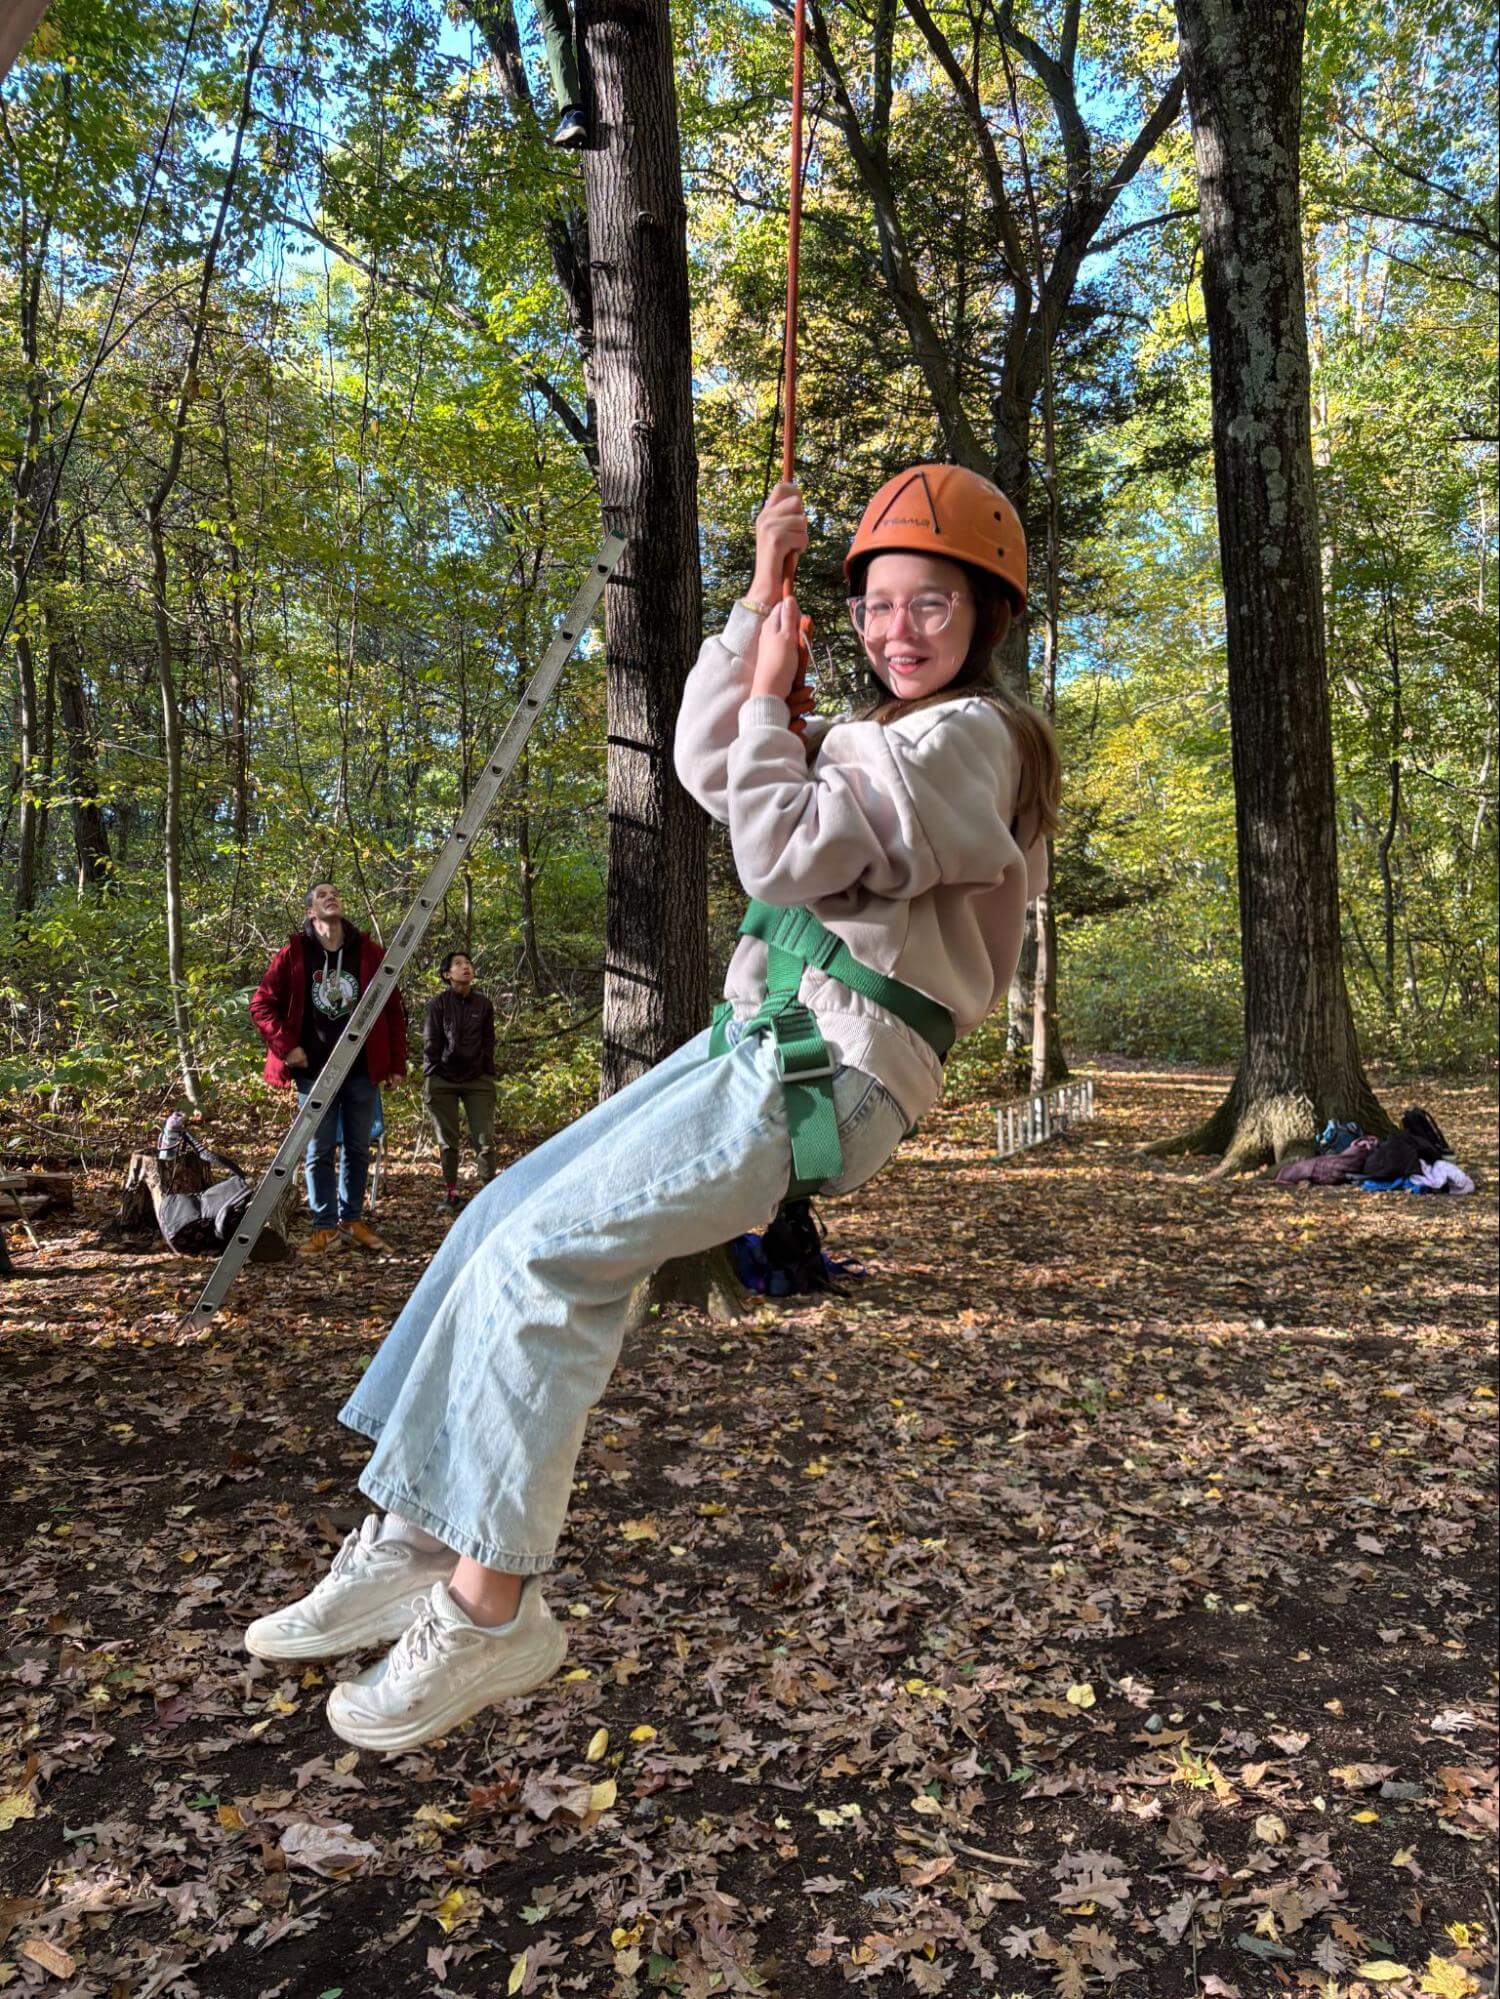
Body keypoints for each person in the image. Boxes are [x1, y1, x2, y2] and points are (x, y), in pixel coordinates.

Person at [242, 465, 1058, 1753]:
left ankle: (494, 1606)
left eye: (935, 608)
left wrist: (780, 718)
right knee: (498, 1216)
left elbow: (780, 848)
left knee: (549, 1262)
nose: (901, 631)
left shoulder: (970, 744)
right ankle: (411, 1538)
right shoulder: (866, 735)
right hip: (749, 1043)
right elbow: (704, 769)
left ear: (986, 619)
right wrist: (759, 604)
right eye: (882, 605)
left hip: (817, 1074)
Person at [249, 883, 408, 1255]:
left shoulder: (367, 952)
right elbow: (261, 1005)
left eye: (334, 893)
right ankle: (325, 1229)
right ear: (310, 911)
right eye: (321, 895)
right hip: (314, 1072)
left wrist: (396, 1061)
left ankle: (351, 1220)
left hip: (361, 1069)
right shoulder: (294, 953)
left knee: (357, 1147)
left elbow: (391, 1009)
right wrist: (288, 1049)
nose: (330, 897)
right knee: (318, 1150)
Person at [423, 951, 497, 1211]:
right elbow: (431, 1041)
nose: (466, 967)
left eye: (468, 963)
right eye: (458, 964)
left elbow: (489, 1041)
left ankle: (489, 1194)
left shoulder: (484, 1005)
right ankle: (451, 1194)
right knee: (448, 1141)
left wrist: (486, 1069)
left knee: (484, 1138)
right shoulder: (438, 1004)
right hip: (443, 1078)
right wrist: (434, 1069)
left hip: (477, 1078)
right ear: (447, 974)